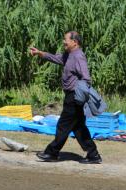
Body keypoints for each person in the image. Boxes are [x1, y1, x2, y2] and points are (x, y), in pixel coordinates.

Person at [30, 31, 102, 164]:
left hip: (74, 97)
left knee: (63, 125)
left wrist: (79, 94)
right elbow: (57, 59)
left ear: (74, 42)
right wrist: (40, 53)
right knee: (79, 127)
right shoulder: (69, 55)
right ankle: (93, 155)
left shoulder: (78, 56)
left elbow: (86, 78)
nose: (64, 42)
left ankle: (52, 153)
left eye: (66, 39)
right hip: (71, 96)